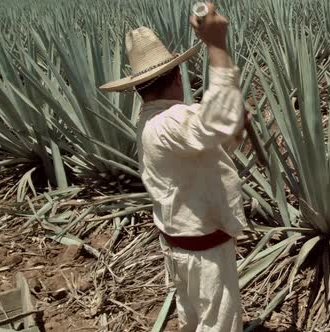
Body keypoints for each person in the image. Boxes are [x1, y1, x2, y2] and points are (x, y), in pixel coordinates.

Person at [99, 2, 245, 331]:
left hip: (180, 247)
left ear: (139, 87)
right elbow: (220, 118)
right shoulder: (172, 120)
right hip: (203, 254)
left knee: (192, 318)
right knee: (217, 323)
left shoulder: (148, 119)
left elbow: (207, 140)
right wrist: (216, 44)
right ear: (178, 75)